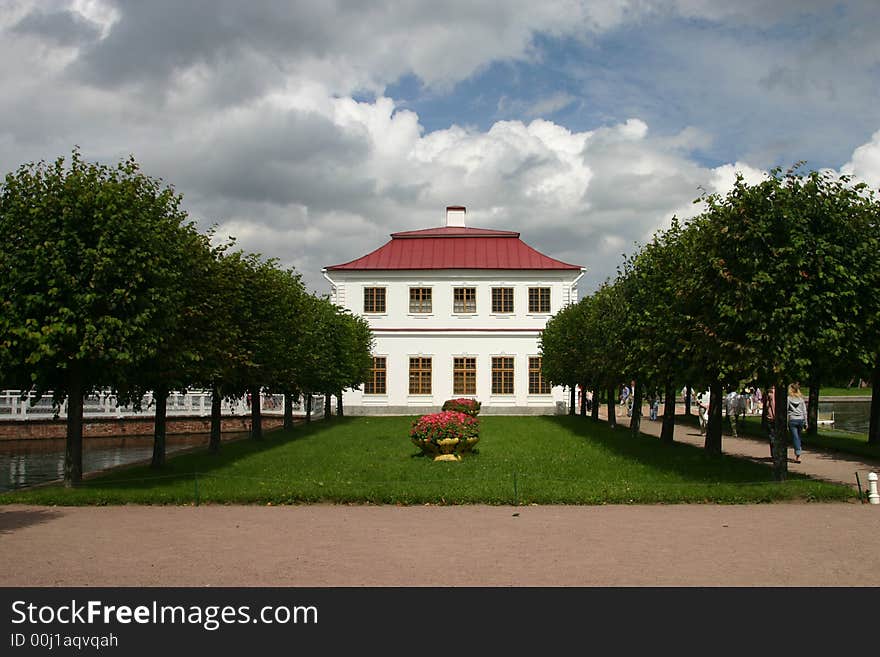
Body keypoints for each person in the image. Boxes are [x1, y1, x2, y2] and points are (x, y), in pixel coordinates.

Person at [787, 383, 808, 463]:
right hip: (801, 420)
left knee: (795, 438)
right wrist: (806, 422)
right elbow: (804, 411)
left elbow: (786, 410)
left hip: (792, 420)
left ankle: (798, 455)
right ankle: (798, 454)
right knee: (798, 437)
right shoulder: (801, 399)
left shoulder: (788, 399)